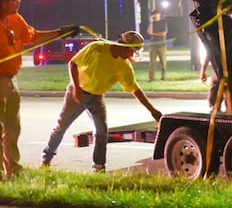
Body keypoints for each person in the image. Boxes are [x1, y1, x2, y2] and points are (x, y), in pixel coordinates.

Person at [41, 30, 163, 172]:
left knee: (101, 131)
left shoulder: (124, 66)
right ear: (123, 45)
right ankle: (46, 158)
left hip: (96, 97)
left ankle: (99, 167)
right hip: (77, 93)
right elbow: (73, 64)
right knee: (61, 127)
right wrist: (76, 88)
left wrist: (152, 111)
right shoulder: (97, 48)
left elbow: (135, 89)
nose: (131, 56)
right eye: (131, 51)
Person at [0, 0, 79, 180]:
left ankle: (14, 169)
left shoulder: (16, 20)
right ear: (3, 3)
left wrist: (60, 33)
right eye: (14, 1)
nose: (18, 4)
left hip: (11, 80)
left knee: (12, 128)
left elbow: (33, 37)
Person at [147, 9, 168, 81]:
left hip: (162, 46)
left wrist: (154, 34)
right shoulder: (152, 23)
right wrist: (151, 22)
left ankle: (163, 77)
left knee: (163, 63)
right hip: (153, 46)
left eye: (155, 14)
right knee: (152, 64)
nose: (154, 16)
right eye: (153, 15)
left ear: (159, 14)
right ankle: (151, 78)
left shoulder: (163, 22)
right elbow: (149, 32)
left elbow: (163, 34)